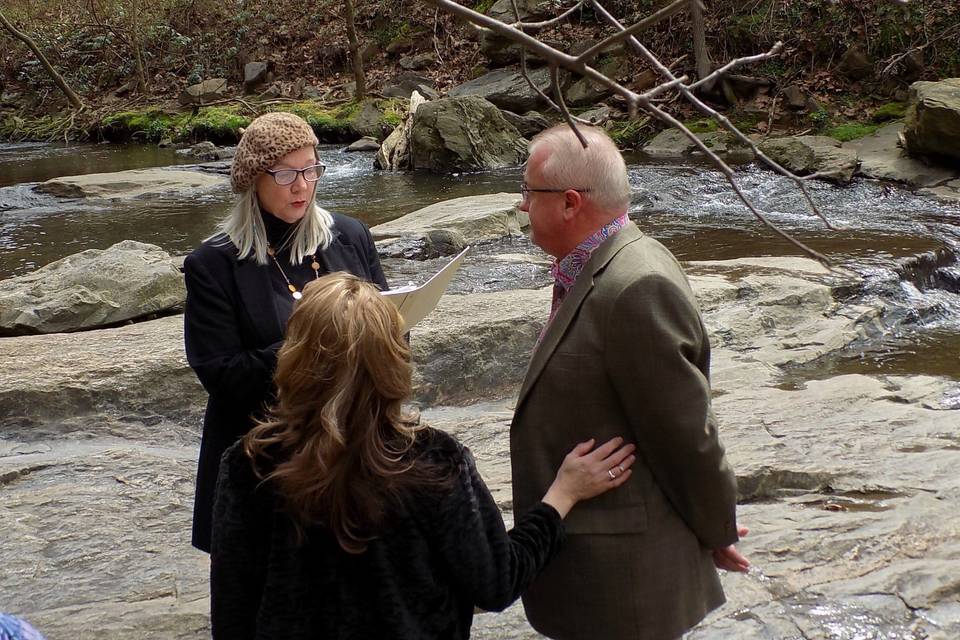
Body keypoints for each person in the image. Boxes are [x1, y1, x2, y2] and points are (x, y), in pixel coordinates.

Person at [209, 273, 637, 639]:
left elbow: (232, 615)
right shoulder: (434, 460)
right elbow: (496, 582)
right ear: (392, 360)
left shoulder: (247, 465)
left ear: (293, 356)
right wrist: (562, 494)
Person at [510, 124, 749, 640]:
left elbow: (686, 434)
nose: (523, 205)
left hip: (622, 586)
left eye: (529, 191)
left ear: (571, 203)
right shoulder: (599, 262)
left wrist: (716, 528)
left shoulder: (635, 285)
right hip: (594, 568)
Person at [184, 112, 388, 553]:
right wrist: (317, 345)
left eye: (311, 170)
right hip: (264, 455)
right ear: (254, 179)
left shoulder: (350, 236)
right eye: (285, 174)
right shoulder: (214, 265)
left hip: (352, 443)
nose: (302, 185)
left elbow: (393, 329)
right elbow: (222, 375)